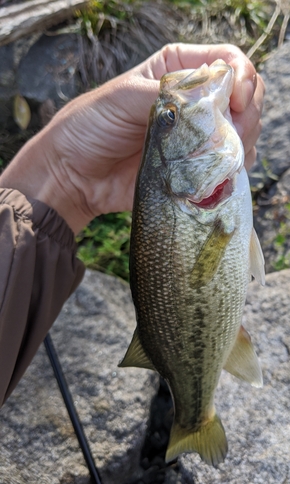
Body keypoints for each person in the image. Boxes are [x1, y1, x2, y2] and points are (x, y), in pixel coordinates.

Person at [0, 43, 265, 407]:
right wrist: (60, 173)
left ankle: (192, 407)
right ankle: (196, 415)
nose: (175, 115)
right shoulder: (202, 193)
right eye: (170, 118)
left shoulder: (201, 191)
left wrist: (63, 173)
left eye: (169, 118)